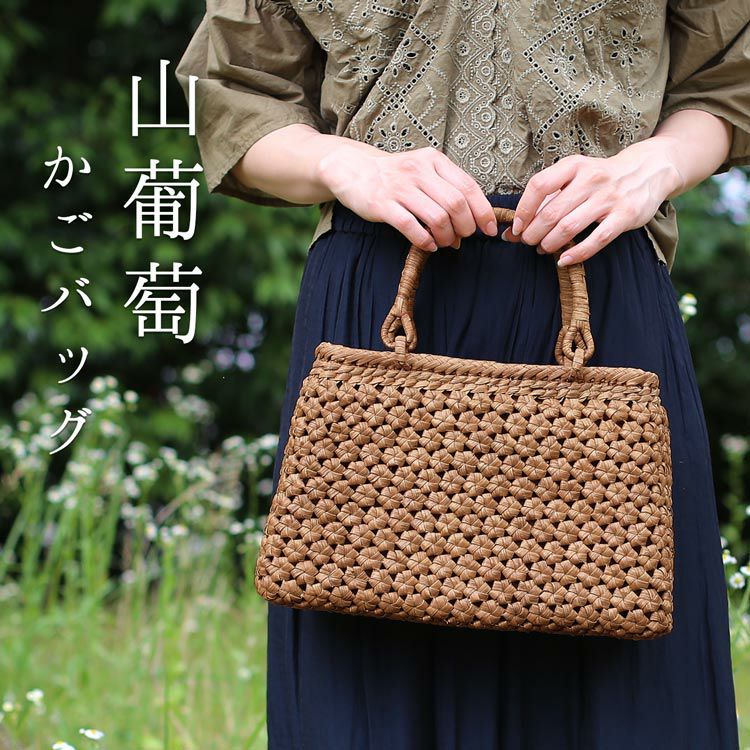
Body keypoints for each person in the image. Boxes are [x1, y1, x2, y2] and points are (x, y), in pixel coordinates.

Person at [176, 1, 750, 747]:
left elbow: (730, 75)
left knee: (628, 696)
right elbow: (232, 91)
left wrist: (654, 166)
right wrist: (344, 162)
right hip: (380, 317)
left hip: (598, 300)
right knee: (368, 689)